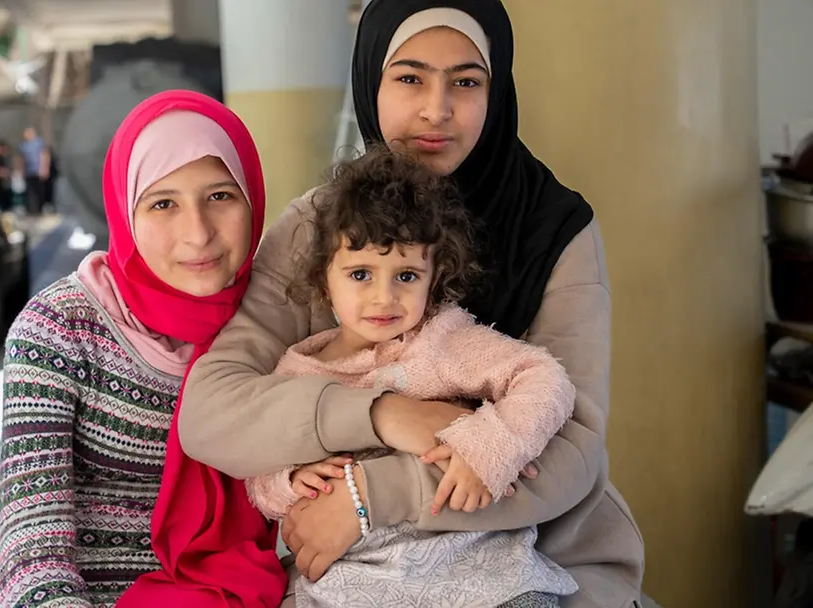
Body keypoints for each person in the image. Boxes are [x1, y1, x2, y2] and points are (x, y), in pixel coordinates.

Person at [179, 2, 645, 607]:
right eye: (409, 77)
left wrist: (372, 494)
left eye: (466, 82)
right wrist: (377, 414)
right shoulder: (319, 227)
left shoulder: (553, 229)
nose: (437, 109)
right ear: (371, 79)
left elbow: (571, 448)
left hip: (535, 554)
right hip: (356, 572)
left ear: (496, 88)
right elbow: (212, 411)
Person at [0, 90, 285, 608]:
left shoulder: (277, 323)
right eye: (163, 203)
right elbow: (30, 534)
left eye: (220, 196)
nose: (198, 233)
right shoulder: (57, 329)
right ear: (125, 209)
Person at [246, 146, 579, 607]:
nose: (384, 298)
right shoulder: (298, 370)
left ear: (434, 276)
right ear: (325, 281)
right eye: (361, 274)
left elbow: (545, 379)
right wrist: (286, 480)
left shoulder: (443, 339)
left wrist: (488, 447)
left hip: (474, 568)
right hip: (354, 579)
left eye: (405, 275)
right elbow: (258, 471)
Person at [18, 126, 49, 215]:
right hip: (28, 172)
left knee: (39, 191)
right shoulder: (23, 145)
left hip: (38, 170)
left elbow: (44, 155)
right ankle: (30, 210)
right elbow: (21, 159)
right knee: (29, 192)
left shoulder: (39, 143)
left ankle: (40, 209)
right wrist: (21, 171)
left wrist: (44, 169)